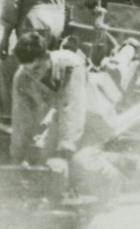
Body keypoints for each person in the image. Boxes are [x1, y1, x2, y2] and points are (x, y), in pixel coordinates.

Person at [9, 31, 122, 200]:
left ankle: (113, 185)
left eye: (38, 68)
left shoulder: (71, 65)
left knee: (81, 162)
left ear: (47, 57)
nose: (34, 74)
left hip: (93, 118)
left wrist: (64, 154)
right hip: (61, 119)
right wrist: (19, 157)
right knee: (42, 163)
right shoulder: (22, 77)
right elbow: (21, 118)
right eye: (29, 70)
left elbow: (72, 108)